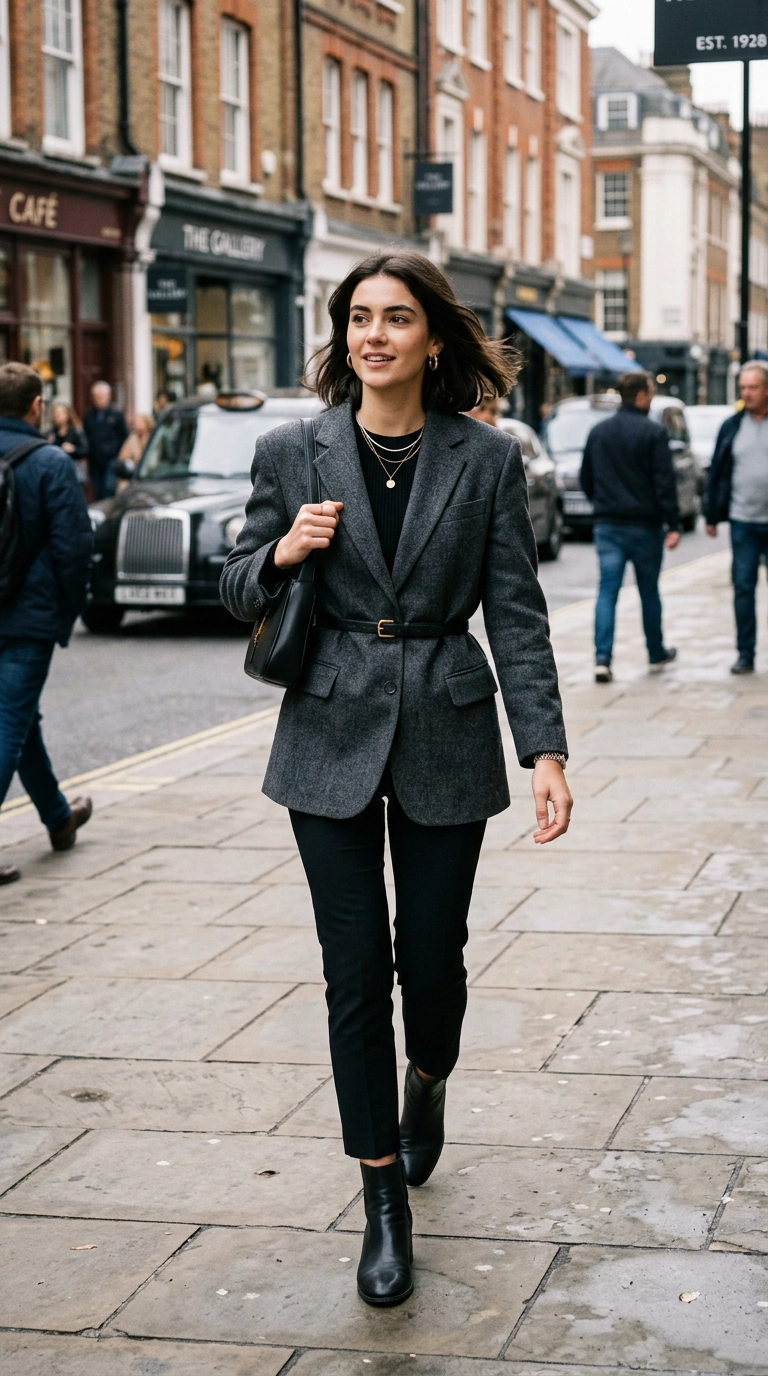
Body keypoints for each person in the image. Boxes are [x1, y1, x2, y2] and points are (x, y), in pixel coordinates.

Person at [220, 251, 572, 1307]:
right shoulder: (293, 450)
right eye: (360, 317)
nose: (375, 334)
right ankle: (382, 1197)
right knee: (354, 970)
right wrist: (283, 553)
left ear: (432, 338)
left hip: (447, 725)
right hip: (327, 726)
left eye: (398, 317)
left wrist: (545, 749)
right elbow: (234, 584)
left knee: (433, 958)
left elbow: (516, 612)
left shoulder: (486, 458)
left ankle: (430, 1078)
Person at [0, 363, 94, 886]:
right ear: (36, 406)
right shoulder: (49, 462)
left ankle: (58, 819)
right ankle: (58, 818)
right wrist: (67, 613)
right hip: (28, 618)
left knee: (20, 720)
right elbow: (72, 548)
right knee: (9, 723)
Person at [580, 371, 680, 684]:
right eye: (650, 393)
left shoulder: (598, 432)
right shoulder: (654, 432)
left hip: (608, 525)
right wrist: (673, 523)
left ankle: (602, 659)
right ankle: (655, 651)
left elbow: (586, 478)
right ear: (640, 395)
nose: (651, 399)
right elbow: (664, 483)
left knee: (607, 591)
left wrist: (603, 503)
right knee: (649, 591)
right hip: (645, 527)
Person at [706, 362, 768, 674]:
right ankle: (745, 654)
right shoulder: (731, 426)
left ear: (766, 389)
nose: (746, 393)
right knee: (743, 588)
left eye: (752, 387)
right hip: (742, 520)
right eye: (743, 387)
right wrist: (711, 515)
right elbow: (717, 471)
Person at [82, 381, 128, 500]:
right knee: (97, 490)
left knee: (108, 488)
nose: (99, 399)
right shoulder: (89, 415)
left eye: (101, 396)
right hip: (95, 459)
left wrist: (119, 454)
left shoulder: (116, 414)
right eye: (96, 396)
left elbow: (124, 436)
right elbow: (86, 436)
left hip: (111, 458)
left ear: (108, 396)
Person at [46, 402, 89, 485]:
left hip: (74, 470)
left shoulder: (76, 431)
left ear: (67, 414)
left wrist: (73, 449)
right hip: (56, 471)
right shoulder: (50, 433)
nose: (58, 416)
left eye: (60, 413)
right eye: (56, 413)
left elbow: (85, 450)